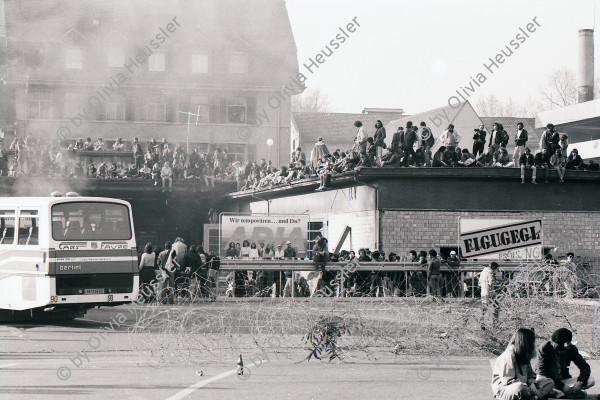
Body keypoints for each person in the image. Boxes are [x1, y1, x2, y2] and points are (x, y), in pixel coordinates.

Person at [491, 328, 554, 400]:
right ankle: (534, 397)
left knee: (548, 382)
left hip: (526, 386)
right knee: (519, 387)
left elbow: (531, 374)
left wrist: (532, 383)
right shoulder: (508, 355)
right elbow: (508, 381)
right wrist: (528, 388)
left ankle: (534, 397)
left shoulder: (524, 354)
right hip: (505, 390)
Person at [536, 328, 595, 399]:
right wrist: (562, 386)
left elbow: (585, 367)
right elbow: (543, 372)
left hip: (564, 381)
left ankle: (559, 394)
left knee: (591, 380)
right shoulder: (545, 348)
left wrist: (580, 382)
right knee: (541, 378)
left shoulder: (571, 349)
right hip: (550, 382)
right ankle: (562, 393)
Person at [479, 261, 500, 328]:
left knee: (484, 307)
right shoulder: (490, 272)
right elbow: (490, 284)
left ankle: (482, 322)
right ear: (493, 268)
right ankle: (495, 323)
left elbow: (479, 283)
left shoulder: (483, 272)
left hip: (483, 291)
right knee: (496, 305)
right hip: (488, 292)